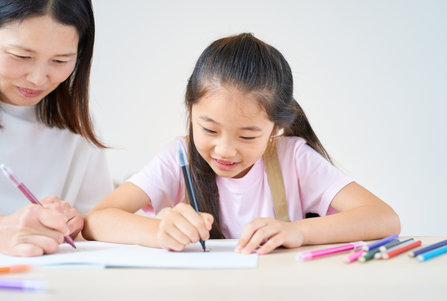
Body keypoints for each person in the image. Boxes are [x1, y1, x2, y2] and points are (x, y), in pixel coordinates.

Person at [83, 33, 400, 255]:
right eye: (208, 129)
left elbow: (384, 218)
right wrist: (158, 231)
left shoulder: (292, 159)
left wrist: (298, 232)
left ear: (277, 127)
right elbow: (97, 220)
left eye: (247, 136)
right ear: (190, 110)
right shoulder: (177, 158)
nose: (224, 150)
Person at [0, 0, 113, 257]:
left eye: (60, 60)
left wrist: (77, 224)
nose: (38, 78)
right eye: (21, 56)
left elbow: (96, 217)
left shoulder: (75, 122)